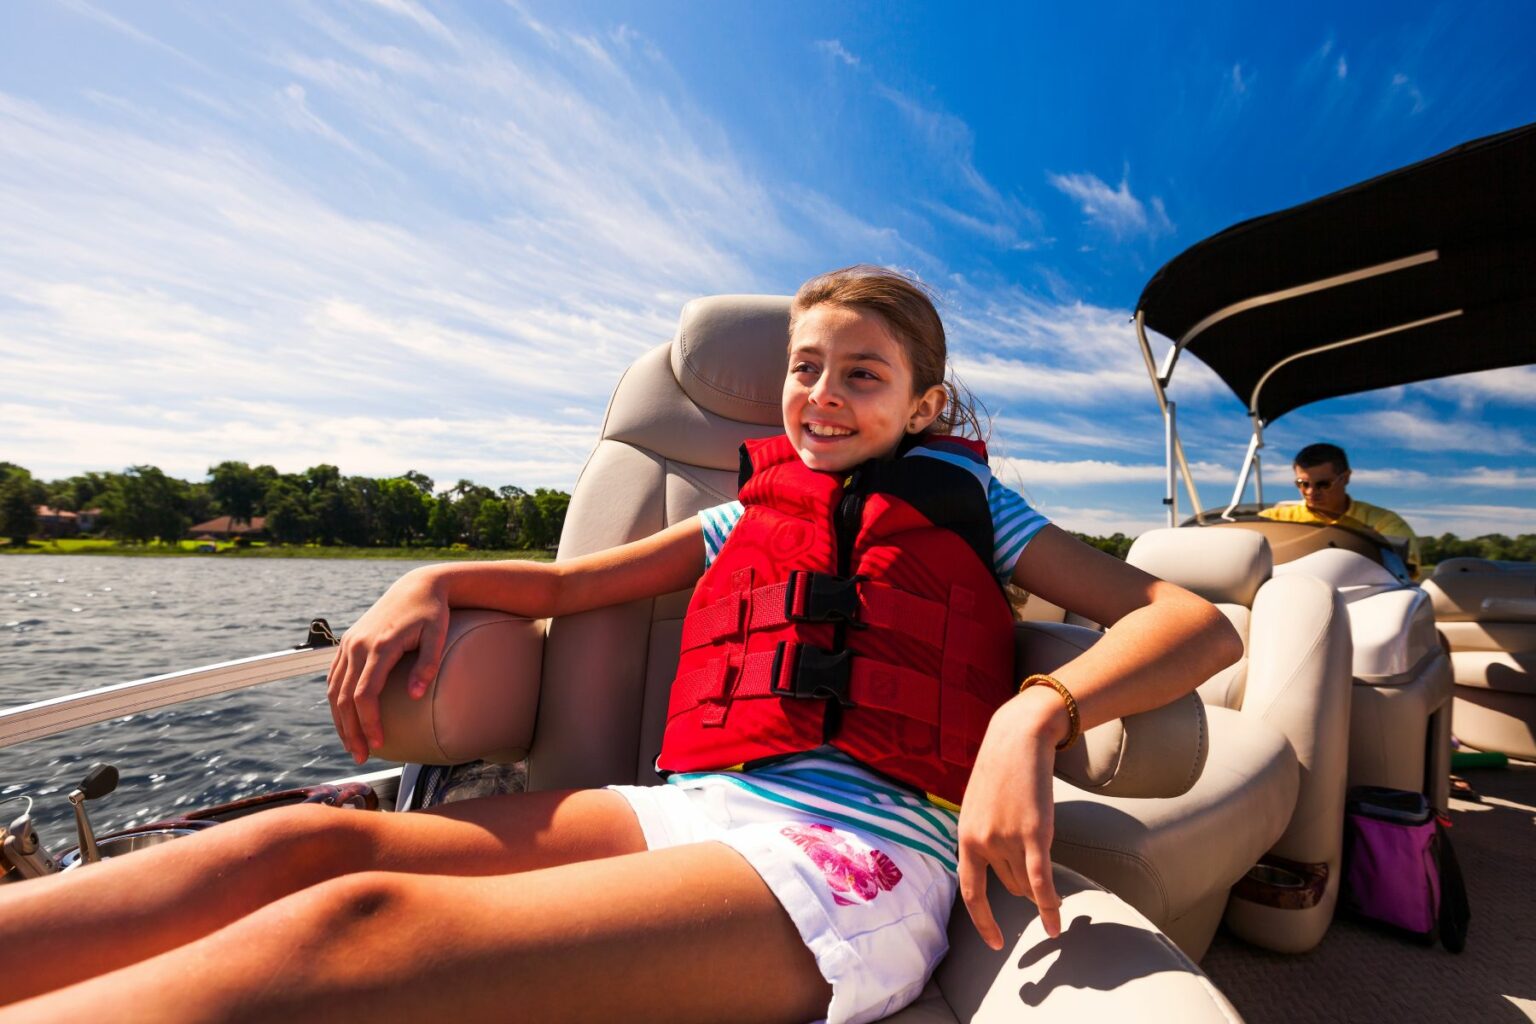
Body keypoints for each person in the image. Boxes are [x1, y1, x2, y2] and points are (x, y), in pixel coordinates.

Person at [0, 266, 1241, 1024]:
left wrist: (1035, 710)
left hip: (861, 852)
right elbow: (569, 585)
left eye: (861, 373)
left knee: (353, 922)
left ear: (921, 404)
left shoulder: (985, 514)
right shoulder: (741, 512)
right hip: (687, 809)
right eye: (806, 368)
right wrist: (428, 576)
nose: (820, 393)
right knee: (297, 841)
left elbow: (1189, 621)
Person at [1258, 443, 1422, 574]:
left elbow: (1403, 575)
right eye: (1302, 484)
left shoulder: (1385, 523)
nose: (1310, 492)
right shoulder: (1272, 519)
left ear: (1345, 478)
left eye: (1323, 484)